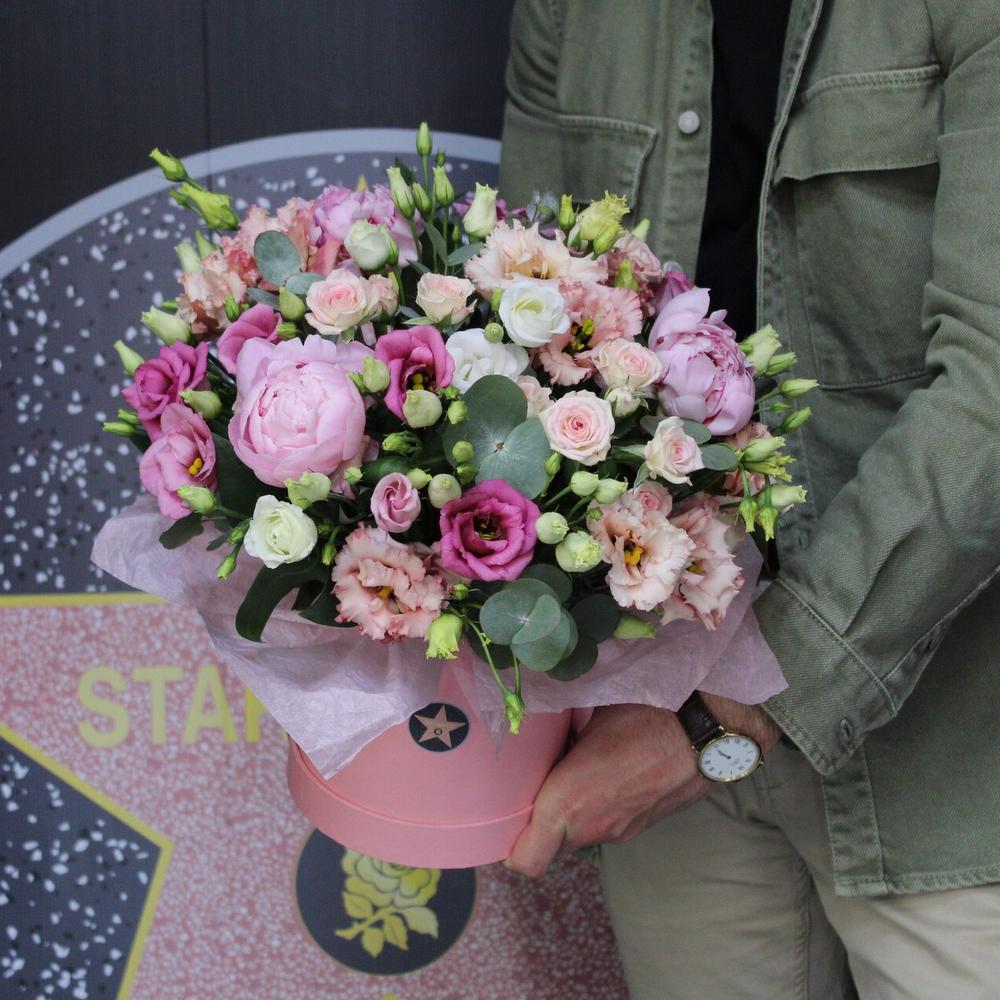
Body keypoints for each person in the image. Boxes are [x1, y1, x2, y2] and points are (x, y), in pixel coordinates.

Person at [498, 1, 1000, 997]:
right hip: (651, 719)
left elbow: (989, 398)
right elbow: (522, 336)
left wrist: (717, 716)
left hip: (951, 754)